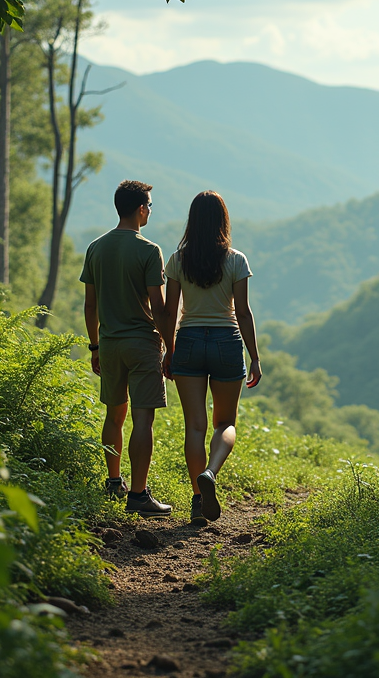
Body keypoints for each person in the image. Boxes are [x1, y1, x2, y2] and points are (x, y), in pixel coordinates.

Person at [164, 191, 261, 523]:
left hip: (188, 339)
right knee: (225, 422)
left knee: (194, 426)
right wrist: (255, 357)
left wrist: (168, 348)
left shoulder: (178, 260)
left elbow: (169, 310)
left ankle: (196, 500)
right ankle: (211, 472)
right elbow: (244, 313)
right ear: (223, 220)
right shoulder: (236, 260)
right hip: (226, 341)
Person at [82, 180, 175, 517]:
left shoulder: (95, 248)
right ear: (140, 208)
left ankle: (113, 481)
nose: (149, 210)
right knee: (142, 420)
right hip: (142, 344)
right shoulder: (149, 251)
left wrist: (94, 346)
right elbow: (160, 307)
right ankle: (138, 495)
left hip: (108, 345)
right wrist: (171, 346)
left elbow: (89, 306)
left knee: (114, 414)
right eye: (149, 205)